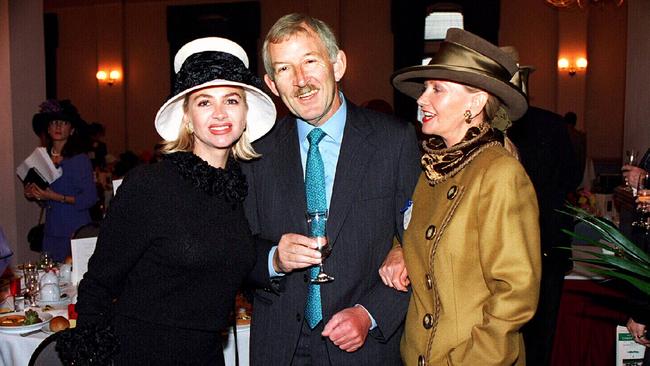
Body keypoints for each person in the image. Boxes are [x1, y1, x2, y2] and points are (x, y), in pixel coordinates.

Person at [59, 37, 276, 365]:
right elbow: (98, 284)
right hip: (142, 353)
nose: (219, 113)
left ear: (245, 113)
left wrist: (279, 257)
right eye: (204, 102)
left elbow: (230, 260)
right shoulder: (151, 185)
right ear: (187, 116)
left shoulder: (239, 189)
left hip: (207, 355)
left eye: (231, 100)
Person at [241, 13, 421, 365]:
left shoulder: (393, 142)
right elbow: (237, 252)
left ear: (337, 64)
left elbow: (420, 249)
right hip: (280, 348)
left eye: (310, 61)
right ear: (272, 85)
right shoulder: (255, 154)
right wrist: (273, 259)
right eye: (284, 69)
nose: (301, 81)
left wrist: (370, 314)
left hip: (365, 347)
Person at [380, 28, 541, 365]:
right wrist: (400, 249)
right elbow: (427, 231)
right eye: (424, 89)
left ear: (476, 100)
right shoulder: (433, 170)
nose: (422, 99)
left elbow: (515, 295)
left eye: (437, 89)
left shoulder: (499, 174)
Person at [504, 49, 581, 366]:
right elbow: (572, 180)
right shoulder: (552, 124)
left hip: (516, 254)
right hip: (545, 251)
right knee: (538, 343)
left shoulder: (485, 130)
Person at [25, 99, 97, 262]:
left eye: (63, 123)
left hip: (74, 229)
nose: (58, 126)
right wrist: (35, 194)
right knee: (49, 276)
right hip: (51, 231)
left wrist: (55, 196)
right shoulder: (43, 159)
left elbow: (90, 198)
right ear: (48, 129)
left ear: (71, 130)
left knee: (71, 279)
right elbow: (45, 201)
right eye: (54, 123)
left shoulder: (79, 159)